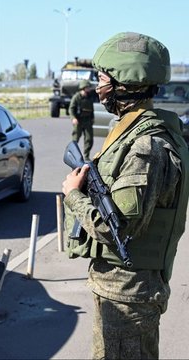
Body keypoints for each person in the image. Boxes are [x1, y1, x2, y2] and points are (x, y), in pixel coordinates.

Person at [62, 32, 189, 359]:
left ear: (124, 86)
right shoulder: (131, 132)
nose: (99, 86)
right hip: (119, 290)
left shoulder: (145, 146)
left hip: (129, 296)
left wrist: (73, 195)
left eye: (103, 79)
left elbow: (116, 227)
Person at [69, 79, 95, 160]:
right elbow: (71, 109)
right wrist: (73, 118)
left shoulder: (89, 97)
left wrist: (92, 118)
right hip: (78, 120)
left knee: (89, 139)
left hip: (87, 120)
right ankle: (73, 156)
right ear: (83, 88)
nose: (89, 89)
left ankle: (86, 156)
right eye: (88, 87)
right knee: (75, 139)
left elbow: (91, 109)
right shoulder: (76, 97)